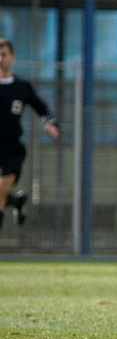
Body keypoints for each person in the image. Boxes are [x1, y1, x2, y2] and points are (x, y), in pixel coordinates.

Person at [0, 38, 60, 232]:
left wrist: (51, 123)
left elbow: (41, 107)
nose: (0, 59)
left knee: (0, 189)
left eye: (4, 55)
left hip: (11, 149)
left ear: (12, 57)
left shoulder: (22, 87)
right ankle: (16, 200)